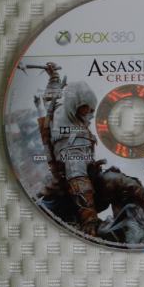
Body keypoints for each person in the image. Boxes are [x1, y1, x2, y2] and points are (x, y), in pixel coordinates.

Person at [50, 82, 100, 235]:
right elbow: (60, 132)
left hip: (85, 158)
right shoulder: (60, 114)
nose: (89, 113)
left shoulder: (79, 118)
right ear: (75, 104)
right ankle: (88, 220)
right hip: (69, 157)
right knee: (77, 172)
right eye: (86, 107)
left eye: (91, 109)